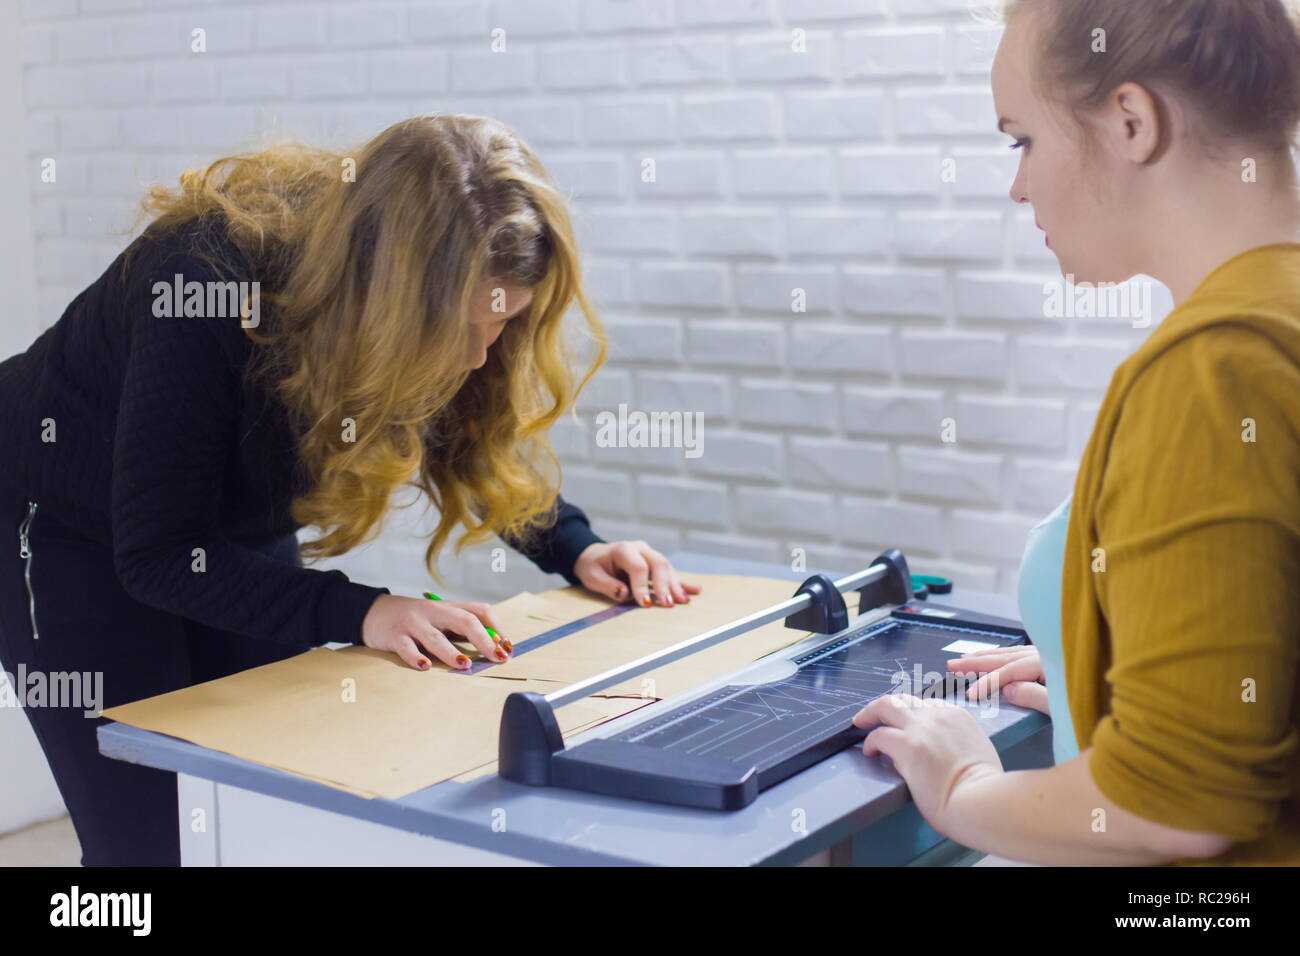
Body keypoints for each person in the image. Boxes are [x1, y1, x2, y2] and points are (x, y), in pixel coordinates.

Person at [0, 113, 700, 866]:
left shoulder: (451, 315)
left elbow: (469, 438)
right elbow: (161, 553)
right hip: (58, 523)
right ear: (388, 295)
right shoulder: (199, 280)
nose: (476, 355)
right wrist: (361, 609)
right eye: (462, 328)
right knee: (153, 846)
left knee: (259, 801)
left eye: (501, 326)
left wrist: (577, 547)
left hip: (221, 524)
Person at [854, 0, 1300, 865]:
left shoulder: (1213, 368)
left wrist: (963, 791)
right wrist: (1104, 684)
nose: (1018, 185)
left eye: (1022, 141)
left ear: (1132, 121)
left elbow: (1174, 812)